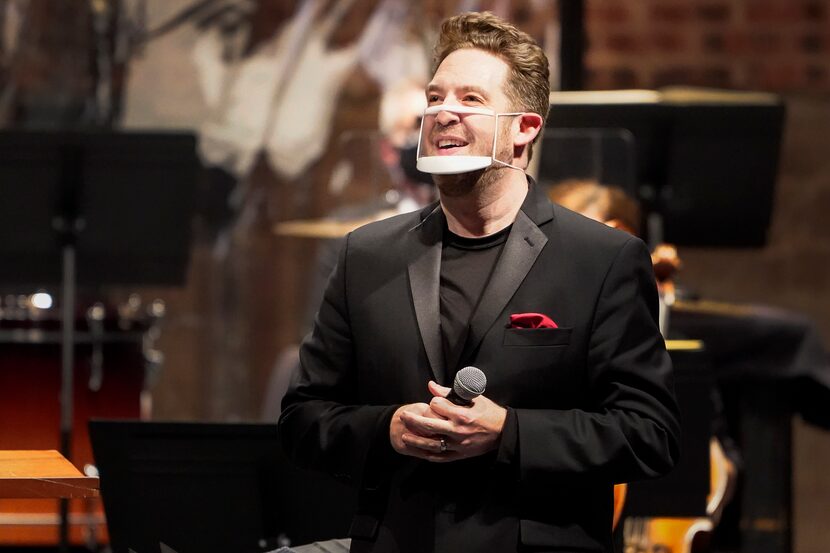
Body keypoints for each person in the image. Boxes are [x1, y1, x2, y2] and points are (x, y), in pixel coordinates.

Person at [279, 12, 680, 553]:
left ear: (525, 129)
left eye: (471, 99)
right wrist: (388, 429)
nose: (444, 112)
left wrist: (508, 433)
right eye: (436, 96)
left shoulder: (601, 260)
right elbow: (303, 419)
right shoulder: (367, 256)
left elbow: (649, 434)